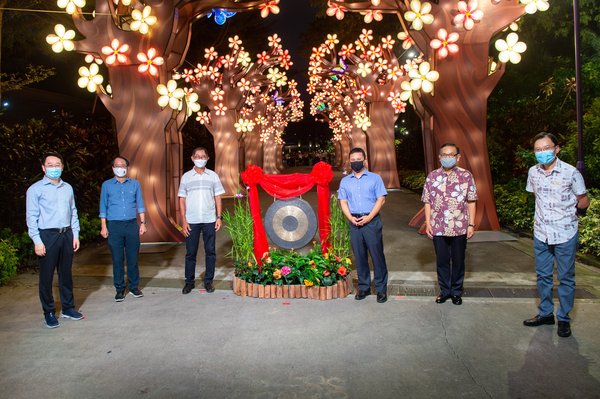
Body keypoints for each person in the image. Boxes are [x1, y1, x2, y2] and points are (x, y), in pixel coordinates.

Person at [523, 132, 589, 338]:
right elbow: (537, 196)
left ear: (557, 148)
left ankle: (563, 318)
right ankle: (545, 314)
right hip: (542, 233)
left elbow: (583, 200)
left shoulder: (571, 173)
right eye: (538, 150)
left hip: (565, 233)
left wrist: (574, 213)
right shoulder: (533, 172)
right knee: (543, 276)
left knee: (566, 278)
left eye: (547, 148)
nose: (543, 153)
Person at [26, 152, 83, 328]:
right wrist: (37, 240)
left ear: (62, 167)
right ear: (43, 167)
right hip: (47, 236)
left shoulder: (67, 188)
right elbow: (31, 217)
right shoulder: (35, 189)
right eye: (50, 165)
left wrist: (76, 234)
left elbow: (73, 211)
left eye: (57, 164)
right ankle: (49, 312)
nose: (54, 168)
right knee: (47, 276)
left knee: (66, 274)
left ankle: (68, 308)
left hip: (66, 234)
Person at [422, 143, 477, 306]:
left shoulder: (466, 176)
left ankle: (456, 292)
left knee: (459, 260)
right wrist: (428, 223)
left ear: (458, 157)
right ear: (439, 157)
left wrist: (471, 224)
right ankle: (445, 291)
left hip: (459, 226)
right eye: (444, 155)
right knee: (442, 260)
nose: (447, 158)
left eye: (451, 155)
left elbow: (471, 201)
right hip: (438, 226)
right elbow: (427, 202)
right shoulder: (432, 176)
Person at [338, 147, 389, 303]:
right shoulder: (345, 181)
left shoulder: (375, 178)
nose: (356, 162)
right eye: (353, 160)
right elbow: (343, 202)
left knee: (377, 256)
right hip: (354, 222)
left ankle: (381, 289)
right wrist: (350, 218)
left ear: (364, 160)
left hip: (371, 222)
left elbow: (381, 199)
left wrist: (369, 217)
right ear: (349, 161)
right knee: (359, 257)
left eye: (358, 159)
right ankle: (364, 287)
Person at [99, 156, 147, 302]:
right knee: (117, 259)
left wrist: (143, 223)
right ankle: (119, 289)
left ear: (127, 168)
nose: (120, 167)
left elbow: (140, 203)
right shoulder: (106, 185)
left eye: (123, 165)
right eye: (117, 165)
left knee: (133, 258)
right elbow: (103, 206)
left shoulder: (135, 184)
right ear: (113, 168)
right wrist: (103, 226)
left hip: (131, 225)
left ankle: (133, 287)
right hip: (114, 226)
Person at [178, 147, 225, 294]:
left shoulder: (213, 176)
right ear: (192, 158)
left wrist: (218, 217)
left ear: (207, 158)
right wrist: (184, 221)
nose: (200, 158)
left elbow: (218, 197)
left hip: (209, 219)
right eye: (197, 156)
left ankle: (208, 281)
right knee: (190, 252)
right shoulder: (186, 177)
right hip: (191, 220)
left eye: (203, 156)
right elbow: (182, 200)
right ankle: (189, 282)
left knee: (210, 251)